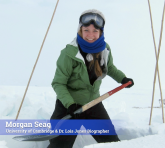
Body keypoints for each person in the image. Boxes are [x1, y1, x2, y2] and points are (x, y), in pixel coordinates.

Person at [48, 9, 134, 148]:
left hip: (93, 103)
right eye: (86, 30)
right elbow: (58, 83)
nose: (90, 35)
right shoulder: (69, 53)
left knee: (111, 143)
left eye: (95, 31)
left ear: (101, 32)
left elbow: (109, 68)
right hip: (69, 107)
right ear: (80, 29)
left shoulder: (105, 49)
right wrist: (70, 104)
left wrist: (122, 78)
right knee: (59, 145)